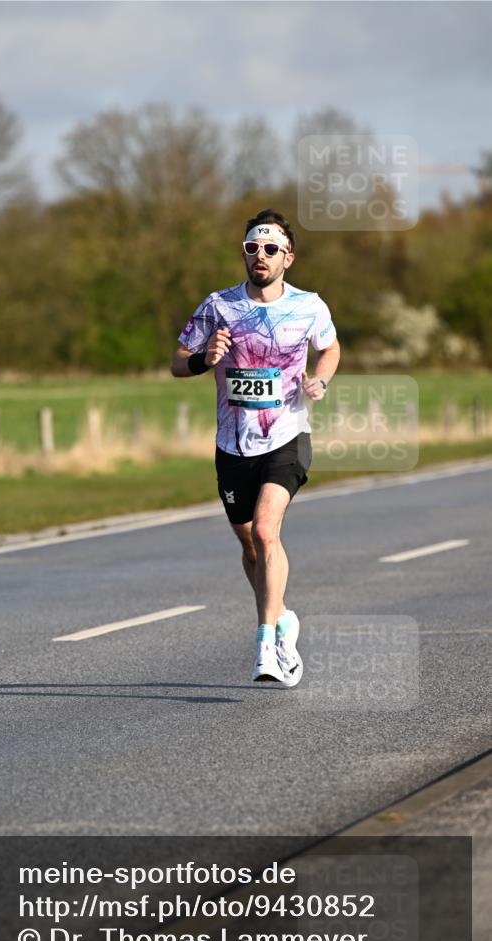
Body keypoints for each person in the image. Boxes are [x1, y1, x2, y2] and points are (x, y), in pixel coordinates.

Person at [171, 209, 340, 686]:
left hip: (287, 436)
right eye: (252, 247)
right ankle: (282, 617)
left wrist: (320, 380)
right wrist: (205, 358)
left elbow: (330, 348)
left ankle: (267, 646)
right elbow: (177, 361)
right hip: (232, 444)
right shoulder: (218, 306)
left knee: (267, 531)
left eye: (270, 248)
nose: (259, 255)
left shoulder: (309, 306)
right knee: (251, 545)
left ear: (288, 257)